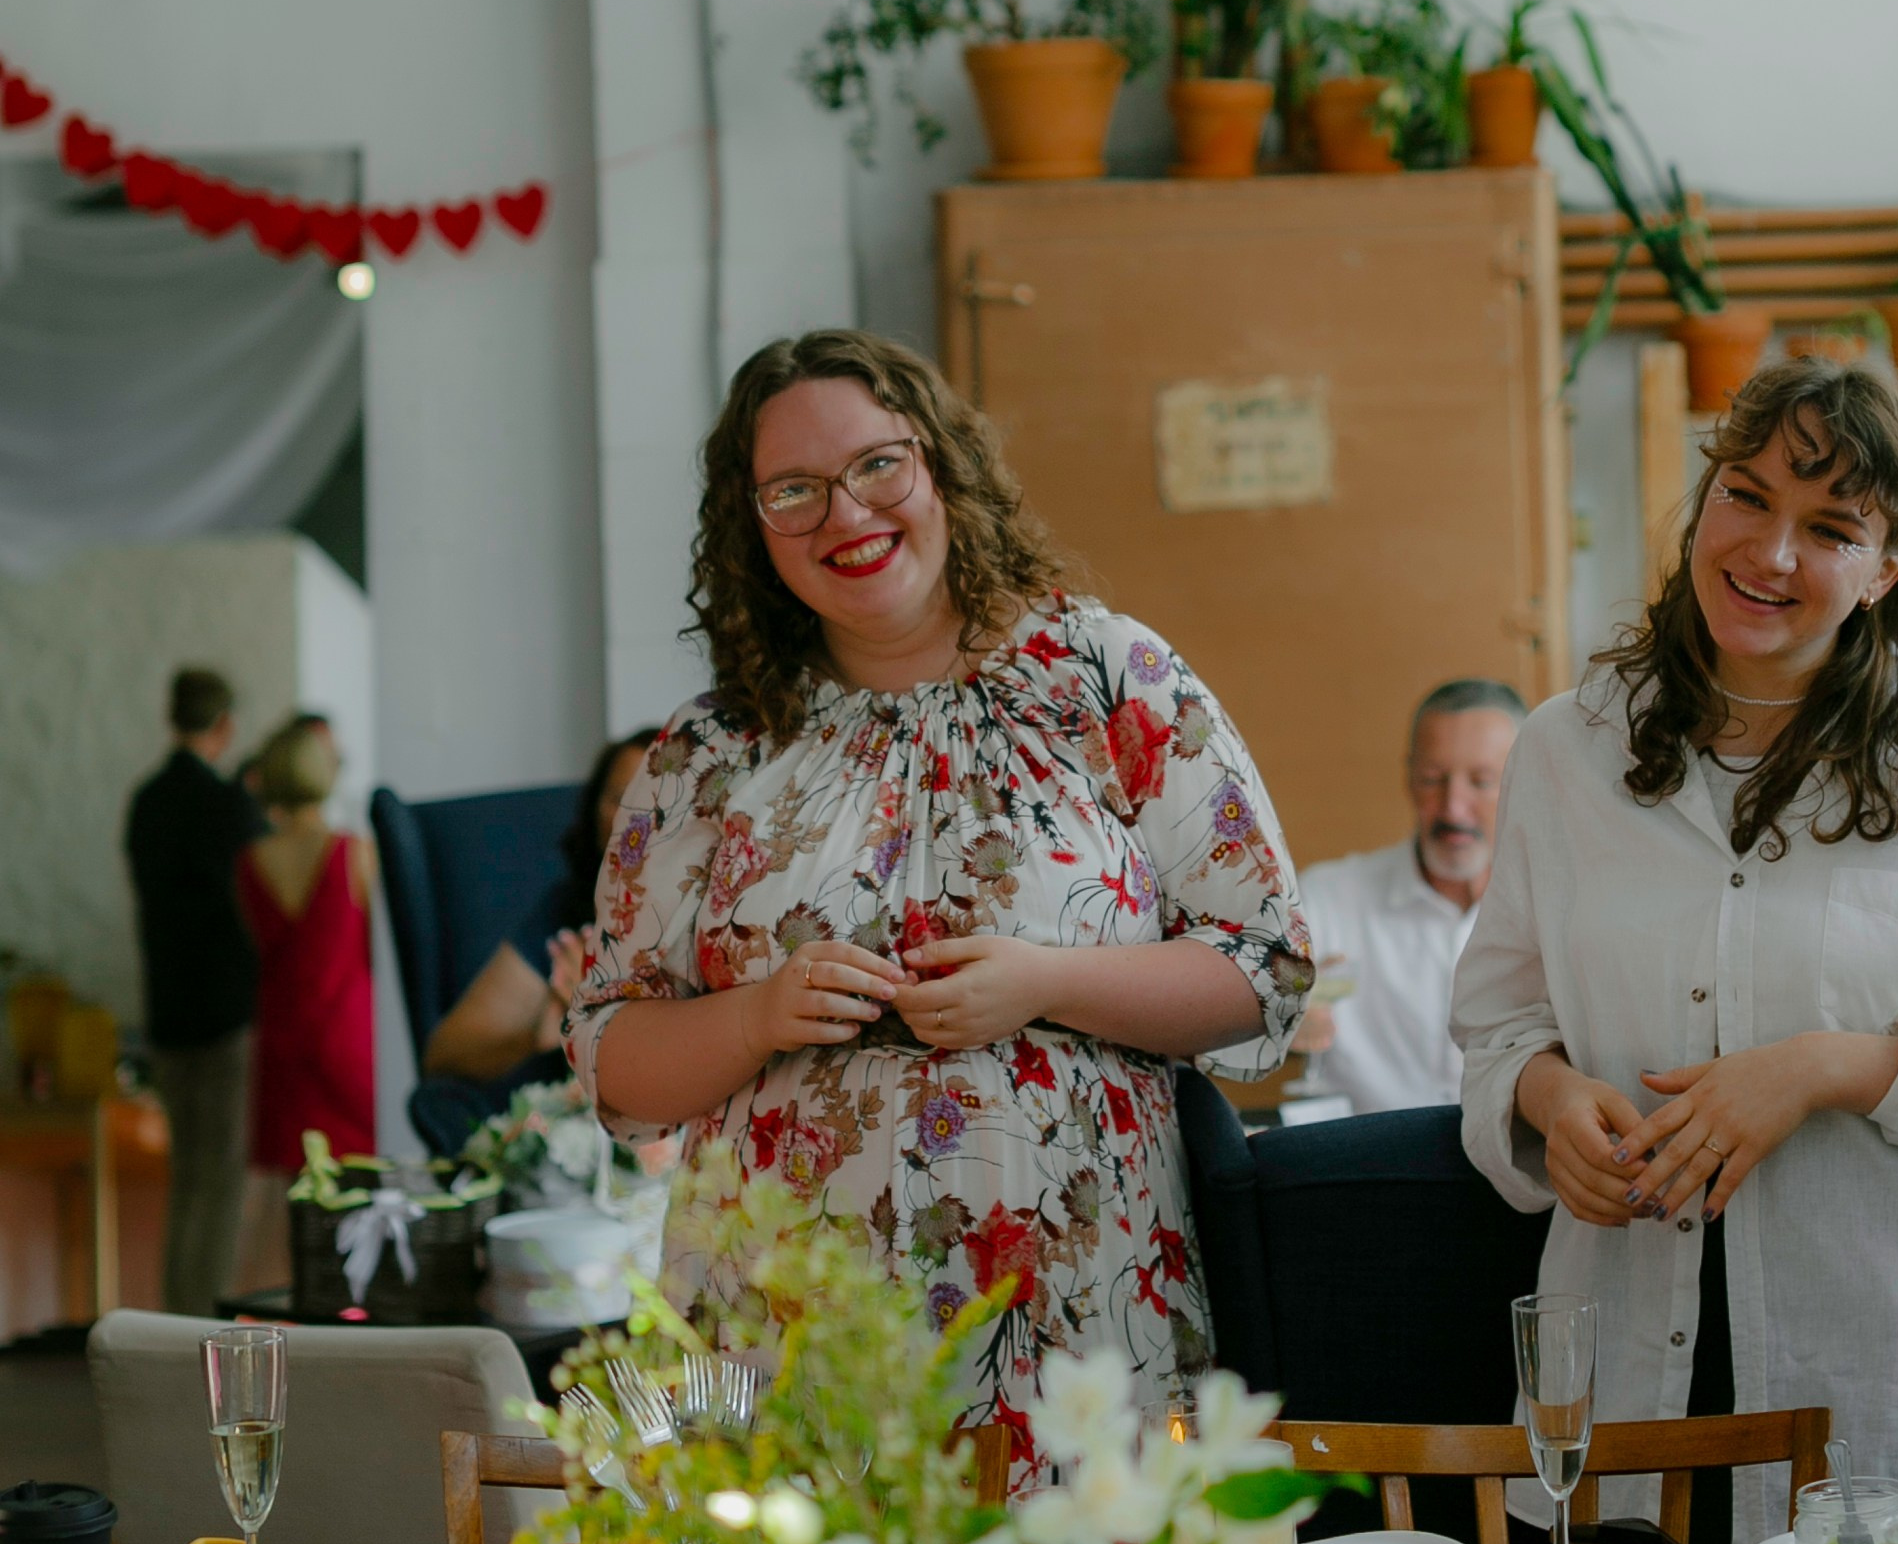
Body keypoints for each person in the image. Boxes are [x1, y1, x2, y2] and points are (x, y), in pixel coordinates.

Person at [568, 328, 1312, 1464]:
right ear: (750, 526)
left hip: (1075, 1328)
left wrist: (1050, 982)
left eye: (877, 464)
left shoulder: (1106, 674)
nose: (846, 515)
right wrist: (756, 1015)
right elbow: (612, 1057)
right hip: (783, 1345)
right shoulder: (708, 753)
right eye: (793, 490)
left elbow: (1261, 966)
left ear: (941, 465)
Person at [1453, 360, 1898, 1544]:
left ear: (1889, 563)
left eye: (1830, 528)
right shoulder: (1565, 753)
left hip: (1893, 1411)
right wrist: (1551, 1100)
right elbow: (1495, 1029)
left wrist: (1830, 1067)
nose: (1770, 551)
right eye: (1745, 496)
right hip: (1627, 1418)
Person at [1291, 679, 1525, 1115]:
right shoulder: (1328, 899)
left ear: (1525, 784)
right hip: (1369, 1164)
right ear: (1408, 778)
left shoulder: (1554, 911)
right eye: (1432, 779)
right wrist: (1277, 1021)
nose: (1453, 807)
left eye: (1481, 782)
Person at [123, 665, 263, 1316]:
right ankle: (205, 1322)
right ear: (225, 725)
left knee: (186, 1180)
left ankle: (174, 1316)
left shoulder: (147, 801)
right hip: (227, 1011)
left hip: (167, 1008)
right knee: (221, 1182)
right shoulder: (228, 805)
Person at [423, 729, 658, 1088]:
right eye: (618, 798)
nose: (632, 823)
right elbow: (444, 1055)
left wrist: (601, 1014)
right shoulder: (566, 912)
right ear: (594, 811)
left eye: (653, 805)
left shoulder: (717, 925)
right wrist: (538, 1035)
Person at [235, 715, 377, 1277]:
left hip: (282, 1038)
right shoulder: (353, 853)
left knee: (289, 1197)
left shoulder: (250, 863)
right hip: (347, 1033)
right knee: (358, 1186)